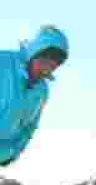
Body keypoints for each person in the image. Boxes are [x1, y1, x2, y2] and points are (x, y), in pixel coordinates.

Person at [1, 26, 68, 167]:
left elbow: (29, 127)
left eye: (54, 65)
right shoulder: (4, 63)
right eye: (45, 60)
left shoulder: (41, 91)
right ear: (35, 51)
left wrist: (12, 153)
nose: (47, 68)